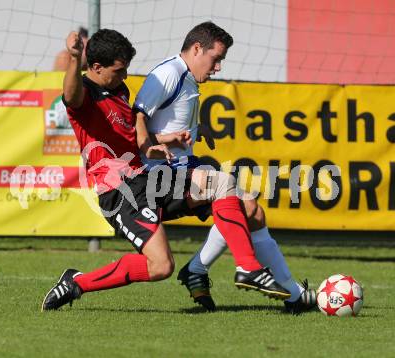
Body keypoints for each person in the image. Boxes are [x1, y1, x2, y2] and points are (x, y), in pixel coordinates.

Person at [41, 28, 291, 311]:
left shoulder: (119, 91)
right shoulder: (86, 96)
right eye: (119, 70)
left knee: (223, 185)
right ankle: (77, 282)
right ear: (96, 67)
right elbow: (70, 95)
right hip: (120, 192)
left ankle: (246, 268)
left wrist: (159, 142)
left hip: (147, 179)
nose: (124, 77)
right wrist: (75, 58)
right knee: (160, 266)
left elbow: (131, 140)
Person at [133, 21, 317, 314]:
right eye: (215, 58)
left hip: (184, 168)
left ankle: (203, 270)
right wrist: (157, 143)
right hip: (160, 176)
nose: (217, 67)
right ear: (196, 49)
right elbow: (136, 120)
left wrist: (195, 128)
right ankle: (262, 277)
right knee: (225, 186)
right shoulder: (167, 73)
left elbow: (166, 118)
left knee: (252, 210)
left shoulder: (187, 76)